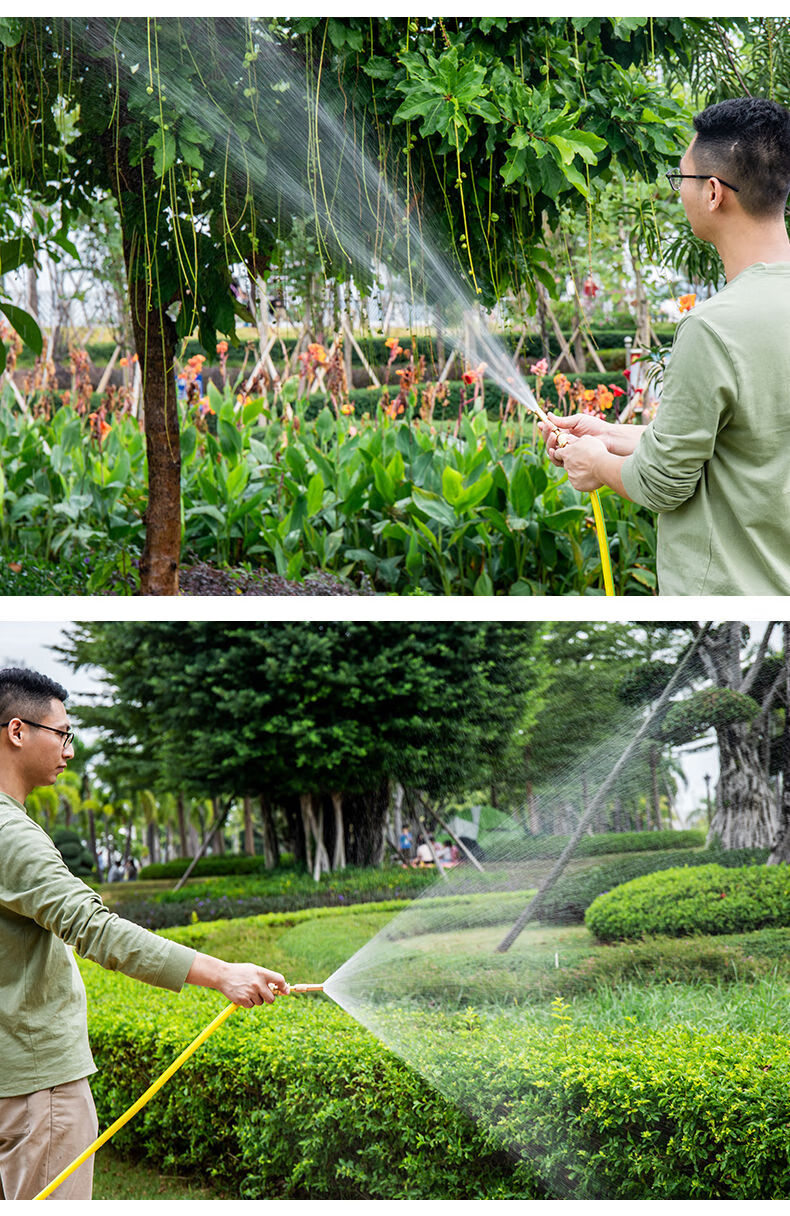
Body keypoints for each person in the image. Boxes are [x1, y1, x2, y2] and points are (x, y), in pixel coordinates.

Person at [0, 667, 290, 1202]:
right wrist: (221, 974)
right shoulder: (11, 835)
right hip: (36, 1088)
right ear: (17, 731)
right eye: (62, 734)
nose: (69, 750)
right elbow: (94, 928)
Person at [541, 96, 790, 595]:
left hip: (727, 599)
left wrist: (594, 464)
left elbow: (662, 483)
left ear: (713, 192)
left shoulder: (714, 327)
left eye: (683, 179)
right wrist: (607, 433)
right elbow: (731, 450)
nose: (680, 193)